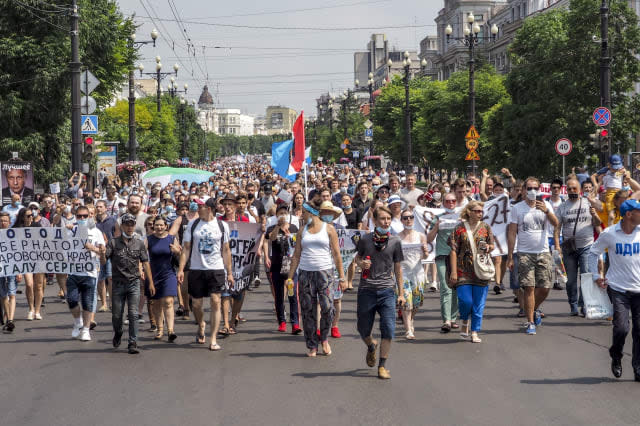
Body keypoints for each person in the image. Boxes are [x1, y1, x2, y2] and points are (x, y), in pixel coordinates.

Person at [286, 199, 346, 357]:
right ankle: (312, 344)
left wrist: (342, 277)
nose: (301, 216)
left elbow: (337, 255)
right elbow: (296, 255)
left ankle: (324, 338)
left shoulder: (329, 229)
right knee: (308, 311)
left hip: (325, 272)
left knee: (327, 307)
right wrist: (290, 277)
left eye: (304, 213)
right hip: (306, 272)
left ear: (312, 213)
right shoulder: (302, 231)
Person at [589, 198, 640, 381]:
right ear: (629, 214)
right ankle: (616, 355)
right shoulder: (610, 234)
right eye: (638, 211)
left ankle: (638, 366)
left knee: (639, 330)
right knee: (621, 328)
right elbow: (593, 253)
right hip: (618, 288)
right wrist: (596, 276)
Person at [177, 198, 234, 351]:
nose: (196, 209)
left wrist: (229, 272)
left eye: (199, 206)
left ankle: (213, 339)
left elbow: (226, 250)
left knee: (216, 301)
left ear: (209, 208)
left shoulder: (222, 226)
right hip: (196, 268)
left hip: (216, 269)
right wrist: (181, 269)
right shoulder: (193, 224)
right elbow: (186, 248)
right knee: (196, 304)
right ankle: (201, 323)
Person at [354, 205, 404, 379]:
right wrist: (361, 264)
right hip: (367, 289)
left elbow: (398, 267)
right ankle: (370, 345)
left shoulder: (395, 241)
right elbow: (357, 258)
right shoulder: (365, 240)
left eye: (389, 219)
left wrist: (401, 293)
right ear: (375, 220)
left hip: (386, 290)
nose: (386, 222)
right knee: (362, 329)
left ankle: (382, 366)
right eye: (382, 219)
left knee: (389, 329)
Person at [507, 177, 559, 335]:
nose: (532, 191)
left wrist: (547, 211)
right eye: (529, 188)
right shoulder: (517, 208)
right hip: (524, 253)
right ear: (523, 191)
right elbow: (512, 232)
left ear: (539, 189)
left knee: (545, 287)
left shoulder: (545, 205)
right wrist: (510, 256)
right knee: (529, 287)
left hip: (543, 252)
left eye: (535, 188)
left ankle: (533, 308)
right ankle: (530, 322)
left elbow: (556, 223)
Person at [105, 213, 155, 354]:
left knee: (133, 314)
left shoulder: (139, 243)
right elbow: (104, 259)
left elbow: (145, 263)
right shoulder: (113, 242)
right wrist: (100, 252)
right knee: (117, 315)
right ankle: (119, 332)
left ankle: (133, 342)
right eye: (127, 224)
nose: (129, 227)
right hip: (118, 284)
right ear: (121, 226)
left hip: (134, 282)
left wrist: (150, 283)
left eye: (132, 224)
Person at [448, 201, 494, 343]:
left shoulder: (486, 227)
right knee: (465, 300)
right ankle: (464, 321)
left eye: (481, 211)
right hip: (463, 271)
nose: (480, 213)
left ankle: (474, 331)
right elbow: (453, 250)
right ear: (469, 212)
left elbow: (492, 245)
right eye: (477, 211)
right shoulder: (459, 228)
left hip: (481, 270)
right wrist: (454, 271)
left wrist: (488, 247)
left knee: (478, 304)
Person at [554, 178, 601, 316]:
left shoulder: (588, 203)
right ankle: (573, 304)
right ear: (566, 190)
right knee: (571, 281)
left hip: (587, 246)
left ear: (580, 189)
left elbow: (598, 222)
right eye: (569, 189)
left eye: (575, 188)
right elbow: (557, 228)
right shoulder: (562, 207)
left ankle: (584, 305)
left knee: (586, 277)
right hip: (569, 249)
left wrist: (594, 214)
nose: (572, 191)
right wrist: (557, 245)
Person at [65, 205, 106, 341]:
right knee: (71, 300)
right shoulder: (70, 230)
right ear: (75, 217)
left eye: (85, 216)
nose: (82, 218)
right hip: (73, 272)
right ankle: (78, 322)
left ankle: (86, 330)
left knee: (88, 303)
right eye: (79, 216)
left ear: (89, 217)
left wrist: (92, 248)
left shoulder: (96, 232)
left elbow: (103, 253)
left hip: (89, 273)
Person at [427, 192, 461, 332]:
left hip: (458, 257)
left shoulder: (460, 218)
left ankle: (453, 318)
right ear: (443, 202)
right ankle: (446, 320)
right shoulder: (438, 218)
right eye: (447, 201)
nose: (450, 203)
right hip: (442, 255)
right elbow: (429, 239)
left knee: (456, 287)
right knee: (446, 288)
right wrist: (436, 226)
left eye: (453, 201)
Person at [265, 204, 301, 334]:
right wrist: (278, 227)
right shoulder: (271, 227)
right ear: (276, 215)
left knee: (293, 295)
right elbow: (271, 238)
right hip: (276, 266)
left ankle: (295, 323)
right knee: (279, 295)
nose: (283, 215)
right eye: (280, 213)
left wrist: (290, 235)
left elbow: (297, 244)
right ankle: (282, 322)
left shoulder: (294, 227)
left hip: (291, 267)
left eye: (285, 213)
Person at [147, 215, 181, 342]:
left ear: (166, 226)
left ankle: (170, 330)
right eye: (157, 225)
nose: (159, 227)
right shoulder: (148, 239)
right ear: (153, 226)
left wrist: (177, 251)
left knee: (168, 301)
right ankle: (160, 329)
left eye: (161, 225)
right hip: (153, 274)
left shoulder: (172, 238)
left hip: (168, 273)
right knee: (156, 302)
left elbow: (181, 254)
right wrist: (141, 269)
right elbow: (143, 257)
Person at [397, 209, 428, 339]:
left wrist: (425, 251)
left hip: (418, 273)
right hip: (403, 274)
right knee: (406, 303)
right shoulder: (397, 237)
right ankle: (408, 329)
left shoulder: (420, 236)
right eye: (405, 218)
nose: (408, 220)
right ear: (401, 220)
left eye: (410, 217)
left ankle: (411, 319)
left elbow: (425, 256)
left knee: (416, 303)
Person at [95, 200, 116, 312]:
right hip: (97, 253)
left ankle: (112, 302)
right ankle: (104, 303)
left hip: (110, 252)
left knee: (110, 277)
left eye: (101, 207)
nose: (98, 209)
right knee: (100, 279)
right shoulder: (94, 222)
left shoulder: (112, 221)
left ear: (105, 208)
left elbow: (116, 236)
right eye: (97, 207)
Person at [0, 212, 17, 333]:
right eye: (1, 220)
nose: (3, 223)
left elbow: (19, 253)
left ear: (9, 222)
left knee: (12, 293)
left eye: (5, 220)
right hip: (1, 268)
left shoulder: (14, 235)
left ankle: (10, 320)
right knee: (3, 294)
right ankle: (7, 318)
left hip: (12, 268)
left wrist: (20, 271)